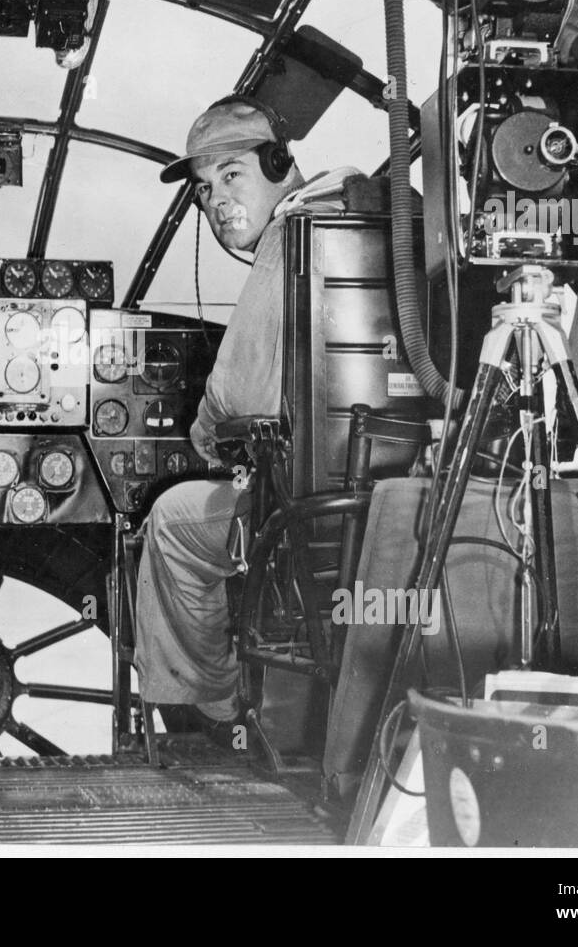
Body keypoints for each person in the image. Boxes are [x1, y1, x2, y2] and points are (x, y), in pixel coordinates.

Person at [133, 96, 360, 737]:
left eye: (231, 175)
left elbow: (238, 398)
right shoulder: (363, 211)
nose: (216, 202)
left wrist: (203, 437)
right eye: (204, 190)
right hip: (381, 489)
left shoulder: (293, 233)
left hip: (302, 506)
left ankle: (214, 712)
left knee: (173, 522)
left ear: (278, 161)